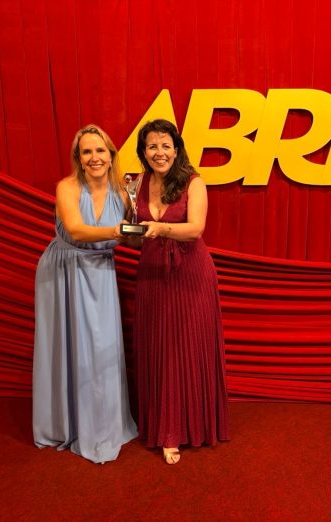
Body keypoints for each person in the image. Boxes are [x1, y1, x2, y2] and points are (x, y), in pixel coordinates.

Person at [33, 124, 137, 464]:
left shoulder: (124, 194)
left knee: (100, 348)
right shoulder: (67, 187)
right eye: (86, 152)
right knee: (65, 347)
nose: (94, 157)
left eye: (100, 150)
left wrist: (146, 234)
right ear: (78, 158)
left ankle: (102, 424)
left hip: (101, 272)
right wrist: (118, 231)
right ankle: (66, 424)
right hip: (64, 269)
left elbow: (128, 239)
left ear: (111, 155)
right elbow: (76, 230)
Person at [132, 119, 230, 464]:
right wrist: (126, 233)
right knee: (159, 349)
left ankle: (184, 428)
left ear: (176, 149)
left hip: (191, 274)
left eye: (165, 145)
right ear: (143, 152)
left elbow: (195, 229)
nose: (159, 152)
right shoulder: (138, 183)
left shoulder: (194, 182)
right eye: (152, 146)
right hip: (151, 274)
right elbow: (136, 231)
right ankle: (162, 424)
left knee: (185, 348)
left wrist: (160, 228)